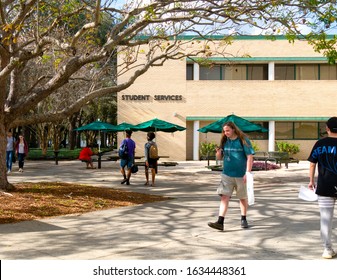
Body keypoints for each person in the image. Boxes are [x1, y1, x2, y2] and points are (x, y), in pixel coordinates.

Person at [208, 121, 254, 231]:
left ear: (233, 129)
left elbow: (250, 157)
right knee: (224, 197)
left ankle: (243, 219)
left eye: (228, 130)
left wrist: (247, 172)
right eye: (224, 131)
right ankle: (220, 222)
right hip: (227, 174)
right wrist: (218, 152)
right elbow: (219, 158)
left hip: (241, 175)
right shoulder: (224, 140)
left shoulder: (243, 140)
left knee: (242, 198)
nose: (226, 133)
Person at [308, 116, 337, 259]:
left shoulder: (320, 144)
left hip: (325, 186)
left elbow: (312, 163)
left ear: (327, 128)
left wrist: (311, 181)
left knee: (326, 219)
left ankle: (327, 249)